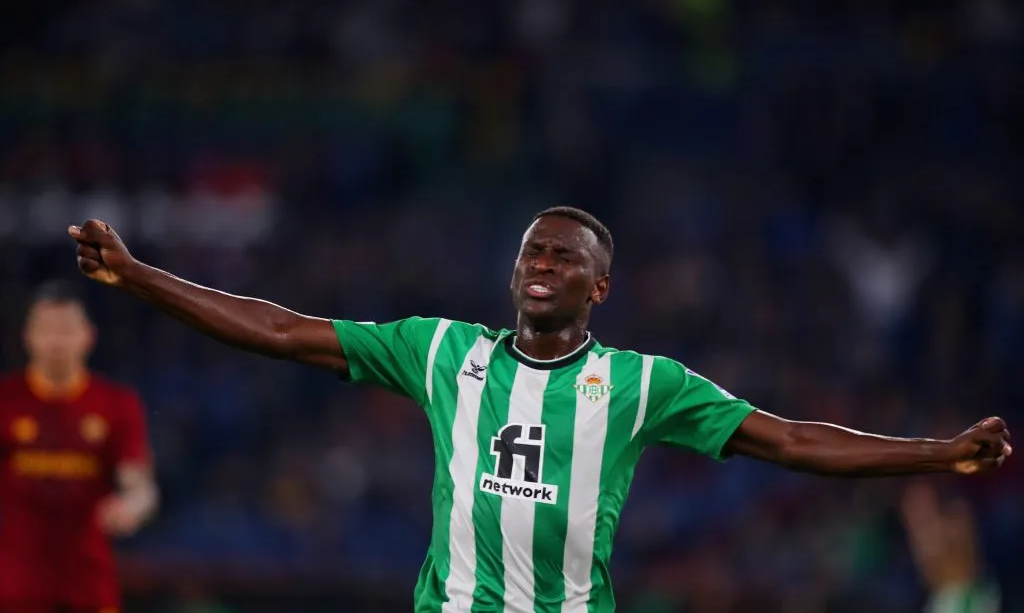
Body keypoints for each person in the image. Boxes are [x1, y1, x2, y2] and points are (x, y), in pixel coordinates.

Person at [67, 208, 1012, 613]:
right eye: (531, 250)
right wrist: (139, 275)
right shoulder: (443, 352)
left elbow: (794, 440)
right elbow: (279, 329)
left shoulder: (645, 385)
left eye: (563, 256)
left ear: (601, 287)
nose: (541, 263)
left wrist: (937, 453)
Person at [0, 281, 159, 613]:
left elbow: (138, 482)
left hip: (89, 585)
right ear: (27, 335)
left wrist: (132, 505)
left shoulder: (117, 405)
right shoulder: (5, 402)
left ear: (89, 335)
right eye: (46, 329)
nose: (56, 341)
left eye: (67, 329)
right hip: (14, 588)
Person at [901, 482, 1001, 613]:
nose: (916, 542)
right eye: (911, 529)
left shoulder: (974, 604)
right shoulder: (939, 602)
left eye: (924, 524)